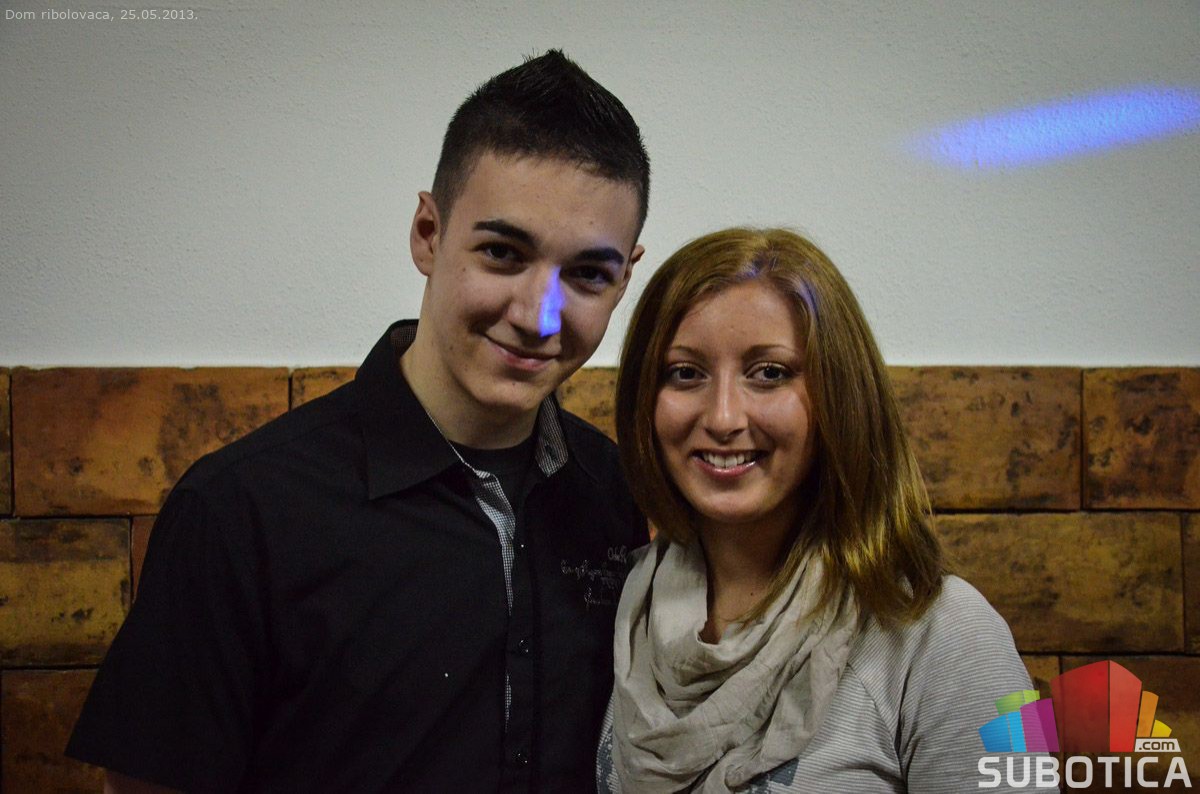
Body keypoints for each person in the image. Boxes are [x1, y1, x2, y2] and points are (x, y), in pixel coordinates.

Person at [67, 50, 650, 793]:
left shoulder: (617, 492)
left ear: (625, 277)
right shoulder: (239, 512)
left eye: (588, 274)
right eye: (503, 253)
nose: (539, 316)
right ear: (428, 233)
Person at [596, 228, 1040, 793]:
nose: (724, 417)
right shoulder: (623, 605)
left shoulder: (954, 632)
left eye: (770, 373)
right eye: (686, 372)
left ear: (840, 394)